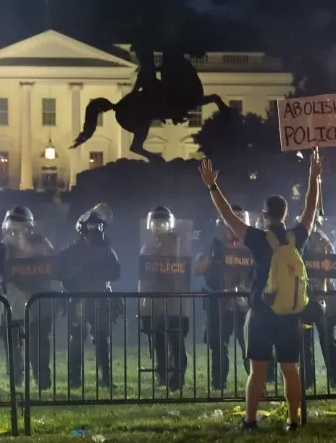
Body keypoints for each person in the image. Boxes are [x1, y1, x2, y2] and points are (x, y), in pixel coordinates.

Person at [199, 148, 322, 432]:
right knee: (290, 369)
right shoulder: (297, 237)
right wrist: (314, 177)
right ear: (285, 214)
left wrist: (212, 186)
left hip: (262, 313)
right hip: (291, 313)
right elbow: (311, 209)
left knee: (258, 370)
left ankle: (250, 420)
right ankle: (293, 421)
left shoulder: (256, 238)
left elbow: (229, 216)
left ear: (265, 214)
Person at [0, 206, 60, 389]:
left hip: (38, 299)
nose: (16, 230)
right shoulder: (4, 246)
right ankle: (16, 380)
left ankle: (42, 379)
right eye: (13, 225)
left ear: (28, 226)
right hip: (13, 301)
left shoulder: (41, 243)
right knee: (12, 343)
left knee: (39, 342)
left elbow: (55, 266)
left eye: (20, 225)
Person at [58, 205, 121, 388]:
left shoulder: (107, 250)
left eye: (98, 226)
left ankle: (106, 379)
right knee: (77, 338)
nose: (95, 230)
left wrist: (98, 273)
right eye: (91, 226)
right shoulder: (72, 250)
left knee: (102, 338)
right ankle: (74, 380)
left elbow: (116, 271)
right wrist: (73, 278)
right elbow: (59, 268)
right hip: (79, 299)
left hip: (101, 298)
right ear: (83, 228)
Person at [194, 207, 252, 391]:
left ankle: (258, 384)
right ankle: (218, 384)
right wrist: (212, 258)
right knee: (219, 346)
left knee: (249, 346)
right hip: (218, 301)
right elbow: (196, 269)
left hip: (244, 303)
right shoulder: (213, 245)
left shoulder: (251, 246)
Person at [138, 206, 191, 392]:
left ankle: (177, 376)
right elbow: (142, 278)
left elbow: (185, 277)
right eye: (156, 224)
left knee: (176, 341)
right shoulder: (147, 248)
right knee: (158, 339)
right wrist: (143, 304)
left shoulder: (179, 245)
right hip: (154, 302)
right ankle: (161, 374)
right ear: (150, 226)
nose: (159, 227)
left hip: (176, 303)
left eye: (163, 223)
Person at [299, 216, 336, 391]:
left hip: (322, 296)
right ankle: (309, 381)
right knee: (306, 342)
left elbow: (331, 268)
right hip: (305, 295)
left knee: (327, 340)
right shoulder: (300, 240)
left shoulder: (322, 240)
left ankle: (335, 380)